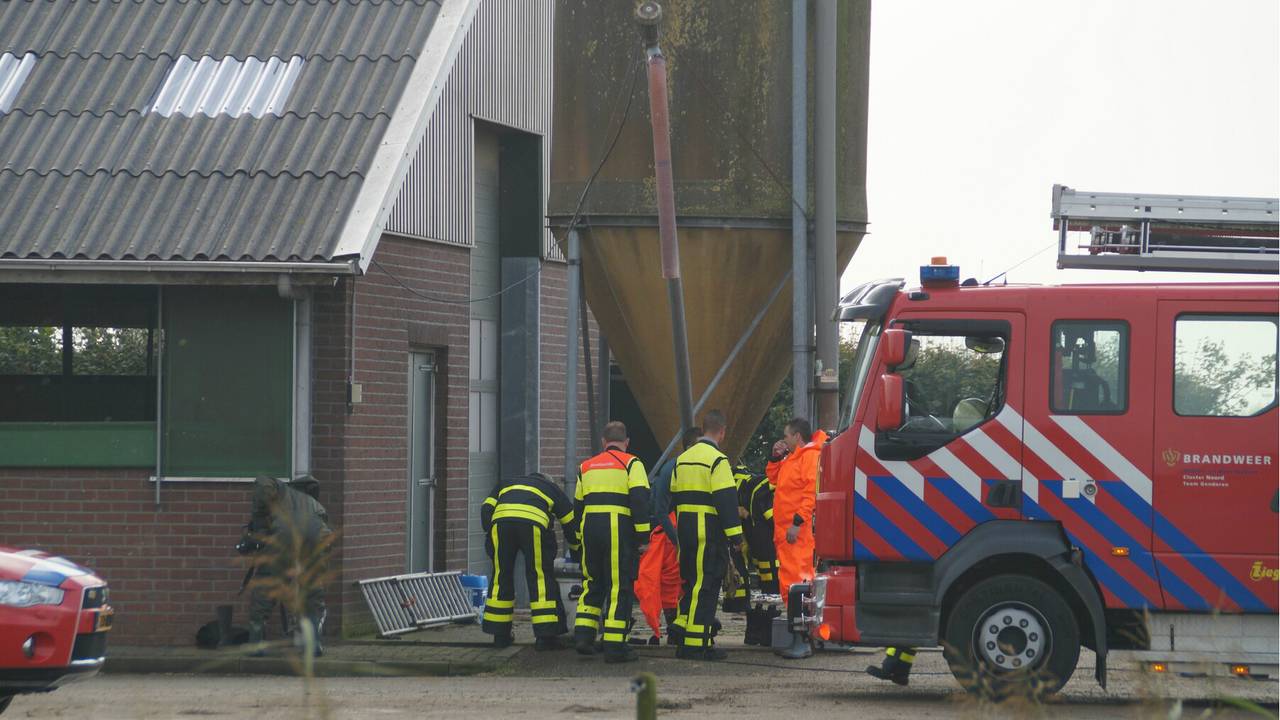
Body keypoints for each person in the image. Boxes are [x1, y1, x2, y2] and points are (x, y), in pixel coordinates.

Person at [572, 421, 652, 663]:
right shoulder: (632, 463)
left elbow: (578, 506)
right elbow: (639, 501)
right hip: (617, 528)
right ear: (626, 443)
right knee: (619, 586)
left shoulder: (585, 467)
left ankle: (584, 638)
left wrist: (577, 540)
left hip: (590, 528)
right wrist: (643, 537)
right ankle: (615, 646)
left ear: (604, 443)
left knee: (592, 583)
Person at [670, 410, 743, 660]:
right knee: (707, 587)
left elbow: (673, 495)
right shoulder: (717, 460)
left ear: (703, 430)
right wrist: (736, 538)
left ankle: (682, 635)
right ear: (721, 432)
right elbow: (726, 501)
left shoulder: (682, 459)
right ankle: (696, 645)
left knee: (691, 583)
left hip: (685, 531)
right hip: (708, 532)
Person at [480, 472, 579, 650]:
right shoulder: (551, 488)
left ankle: (499, 636)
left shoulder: (507, 482)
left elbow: (486, 509)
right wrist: (577, 550)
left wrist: (492, 533)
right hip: (533, 526)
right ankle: (545, 637)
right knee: (540, 577)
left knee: (501, 577)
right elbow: (571, 522)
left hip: (501, 526)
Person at [241, 475, 332, 656]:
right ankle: (313, 644)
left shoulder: (283, 491)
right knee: (312, 592)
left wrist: (259, 522)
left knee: (266, 588)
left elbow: (263, 481)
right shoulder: (315, 504)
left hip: (285, 537)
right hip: (319, 538)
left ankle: (256, 644)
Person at [634, 427, 701, 645]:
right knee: (668, 581)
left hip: (678, 531)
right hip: (669, 533)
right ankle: (674, 629)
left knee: (673, 582)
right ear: (691, 447)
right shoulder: (673, 469)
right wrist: (677, 541)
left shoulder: (681, 467)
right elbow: (660, 510)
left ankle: (676, 628)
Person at [766, 417, 827, 605]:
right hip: (787, 531)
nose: (783, 440)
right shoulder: (793, 458)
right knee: (789, 575)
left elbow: (811, 494)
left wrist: (797, 523)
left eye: (786, 436)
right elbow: (774, 479)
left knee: (797, 575)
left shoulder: (808, 457)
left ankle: (799, 615)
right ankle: (794, 613)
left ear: (797, 436)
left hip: (795, 530)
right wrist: (775, 457)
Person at [735, 464, 778, 595]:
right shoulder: (764, 486)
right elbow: (772, 517)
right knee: (769, 565)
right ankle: (772, 592)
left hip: (754, 532)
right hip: (764, 534)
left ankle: (767, 592)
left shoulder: (741, 483)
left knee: (760, 564)